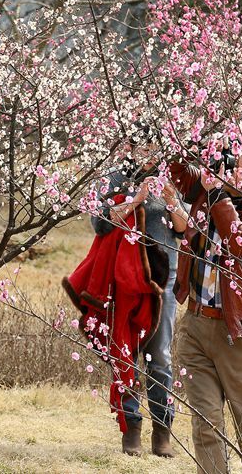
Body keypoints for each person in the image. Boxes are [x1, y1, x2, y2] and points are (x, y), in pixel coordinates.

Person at [169, 143, 242, 473]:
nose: (225, 169)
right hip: (196, 327)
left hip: (238, 339)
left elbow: (237, 239)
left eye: (235, 165)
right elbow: (176, 169)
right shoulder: (206, 193)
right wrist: (190, 143)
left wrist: (216, 193)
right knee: (206, 428)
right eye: (224, 162)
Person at [91, 136, 188, 458]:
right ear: (131, 147)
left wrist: (171, 199)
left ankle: (163, 431)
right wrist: (137, 199)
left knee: (160, 356)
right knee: (125, 351)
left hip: (164, 279)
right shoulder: (116, 176)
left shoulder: (174, 177)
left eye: (154, 147)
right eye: (143, 146)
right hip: (123, 279)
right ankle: (131, 427)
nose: (149, 154)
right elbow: (99, 222)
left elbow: (186, 229)